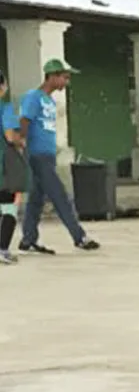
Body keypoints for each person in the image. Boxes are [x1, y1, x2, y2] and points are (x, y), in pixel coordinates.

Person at [15, 58, 99, 254]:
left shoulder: (50, 101)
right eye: (64, 78)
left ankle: (28, 239)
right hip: (37, 155)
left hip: (48, 154)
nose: (66, 82)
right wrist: (22, 142)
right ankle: (79, 237)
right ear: (52, 77)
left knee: (36, 199)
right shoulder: (33, 97)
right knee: (60, 196)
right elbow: (25, 120)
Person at [0, 72, 24, 265]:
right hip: (4, 167)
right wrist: (21, 141)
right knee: (10, 206)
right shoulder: (5, 108)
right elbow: (10, 136)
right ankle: (2, 249)